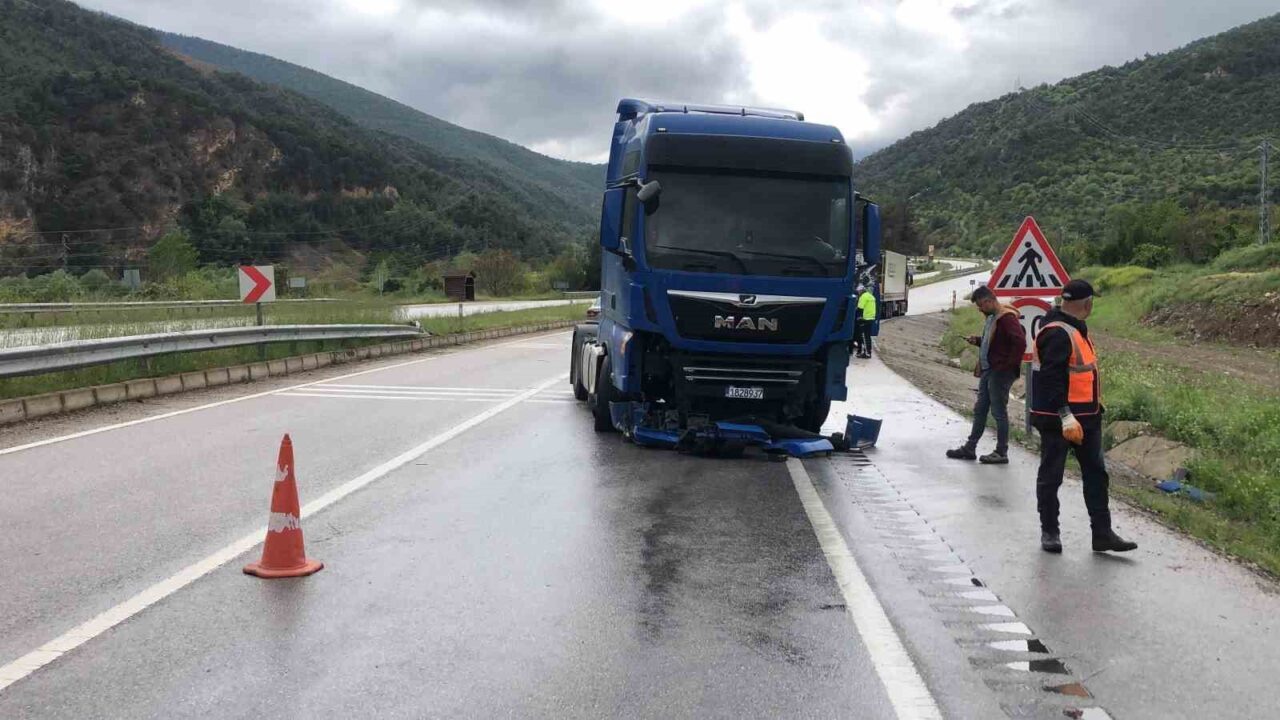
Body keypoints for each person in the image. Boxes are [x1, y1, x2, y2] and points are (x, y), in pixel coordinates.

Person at [1030, 279, 1137, 554]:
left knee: (1096, 475)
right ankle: (1050, 532)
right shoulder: (1057, 332)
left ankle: (1102, 533)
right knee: (1051, 475)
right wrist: (1065, 415)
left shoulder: (1076, 329)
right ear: (1087, 304)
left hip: (1087, 418)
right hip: (1060, 421)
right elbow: (1051, 379)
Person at [946, 285, 1025, 464]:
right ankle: (970, 447)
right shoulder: (992, 317)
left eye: (981, 305)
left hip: (999, 372)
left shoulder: (1006, 318)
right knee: (980, 409)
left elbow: (1019, 343)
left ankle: (1001, 452)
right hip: (989, 370)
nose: (980, 309)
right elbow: (997, 343)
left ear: (989, 301)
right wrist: (979, 341)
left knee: (998, 411)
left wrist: (1006, 367)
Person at [854, 285, 876, 358]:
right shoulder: (870, 296)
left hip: (864, 319)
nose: (858, 293)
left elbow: (860, 308)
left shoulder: (863, 297)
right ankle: (867, 352)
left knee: (864, 337)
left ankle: (867, 353)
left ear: (860, 291)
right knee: (867, 336)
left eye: (858, 292)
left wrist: (858, 317)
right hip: (870, 318)